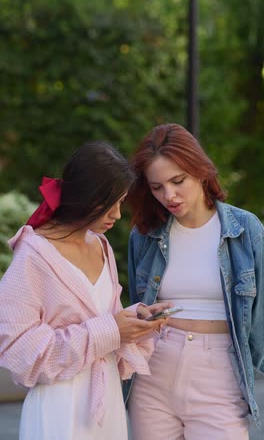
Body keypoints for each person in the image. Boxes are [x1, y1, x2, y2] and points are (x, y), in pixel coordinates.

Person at [0, 140, 169, 440]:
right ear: (84, 197)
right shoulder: (34, 255)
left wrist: (135, 320)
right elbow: (20, 351)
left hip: (108, 404)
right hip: (59, 407)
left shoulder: (101, 245)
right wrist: (109, 331)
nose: (117, 215)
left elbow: (108, 320)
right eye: (110, 204)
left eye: (121, 202)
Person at [127, 123, 264, 439]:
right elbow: (139, 305)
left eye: (178, 181)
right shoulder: (144, 235)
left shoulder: (245, 230)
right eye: (156, 187)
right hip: (154, 371)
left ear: (201, 172)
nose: (169, 196)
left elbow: (260, 315)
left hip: (219, 373)